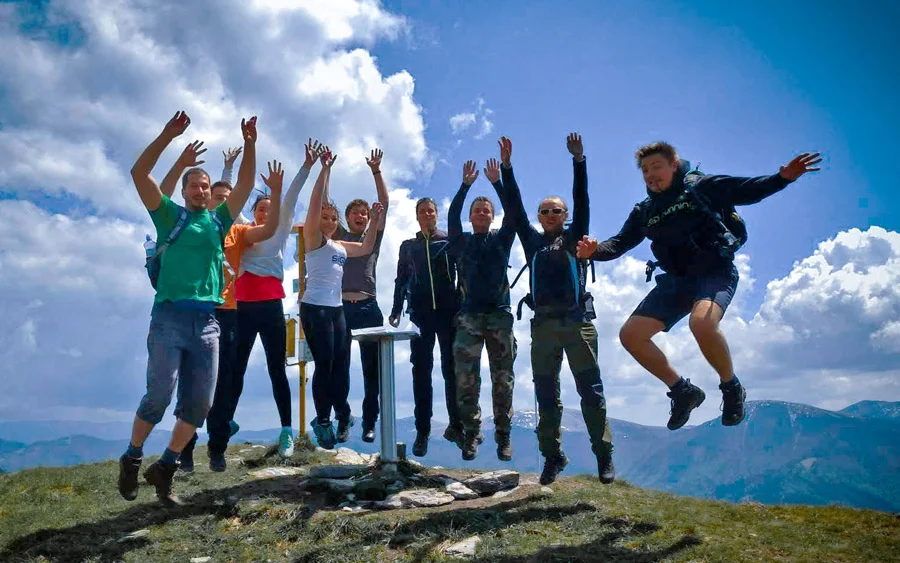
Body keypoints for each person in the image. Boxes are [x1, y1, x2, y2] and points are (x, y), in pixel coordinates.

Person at [576, 142, 822, 430]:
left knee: (702, 324)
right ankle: (683, 392)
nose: (650, 174)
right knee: (631, 335)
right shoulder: (645, 211)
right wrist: (593, 251)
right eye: (644, 171)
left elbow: (748, 190)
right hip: (677, 281)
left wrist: (783, 178)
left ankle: (731, 388)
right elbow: (618, 244)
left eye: (656, 167)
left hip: (714, 272)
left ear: (673, 164)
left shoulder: (701, 186)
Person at [118, 111, 257, 506]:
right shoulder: (169, 217)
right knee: (158, 397)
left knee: (199, 406)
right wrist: (167, 135)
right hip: (169, 318)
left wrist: (249, 145)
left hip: (208, 322)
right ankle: (132, 456)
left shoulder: (218, 222)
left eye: (205, 185)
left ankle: (167, 466)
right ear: (183, 192)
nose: (200, 191)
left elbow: (245, 184)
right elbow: (138, 172)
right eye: (194, 186)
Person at [501, 134, 615, 486]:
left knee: (590, 391)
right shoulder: (532, 240)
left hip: (578, 323)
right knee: (546, 393)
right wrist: (507, 168)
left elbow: (583, 200)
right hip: (544, 327)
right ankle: (552, 456)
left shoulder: (575, 235)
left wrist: (579, 161)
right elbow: (515, 208)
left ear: (565, 216)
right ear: (540, 217)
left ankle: (604, 456)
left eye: (557, 211)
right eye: (545, 211)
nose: (550, 215)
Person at [158, 143, 270, 473]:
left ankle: (217, 447)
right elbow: (166, 196)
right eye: (214, 196)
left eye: (225, 198)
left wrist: (250, 148)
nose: (220, 200)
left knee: (228, 383)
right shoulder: (190, 225)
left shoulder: (236, 229)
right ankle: (186, 449)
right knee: (192, 383)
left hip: (232, 312)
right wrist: (194, 166)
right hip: (196, 311)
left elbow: (262, 217)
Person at [230, 139, 322, 459]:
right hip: (242, 306)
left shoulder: (280, 230)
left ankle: (286, 432)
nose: (265, 212)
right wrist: (229, 167)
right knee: (235, 367)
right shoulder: (242, 229)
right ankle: (226, 420)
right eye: (260, 209)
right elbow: (229, 199)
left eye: (269, 209)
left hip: (270, 306)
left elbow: (293, 196)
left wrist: (307, 166)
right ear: (252, 213)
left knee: (275, 369)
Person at [301, 148, 384, 449]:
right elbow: (314, 204)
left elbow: (366, 248)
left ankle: (342, 415)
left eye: (333, 217)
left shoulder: (338, 244)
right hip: (315, 309)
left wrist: (374, 219)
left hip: (336, 311)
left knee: (339, 367)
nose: (329, 221)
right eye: (325, 216)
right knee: (325, 366)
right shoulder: (313, 238)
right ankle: (322, 420)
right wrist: (325, 170)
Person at [447, 159, 517, 461]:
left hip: (500, 316)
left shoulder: (502, 240)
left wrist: (497, 183)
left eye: (486, 210)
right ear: (471, 216)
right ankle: (472, 434)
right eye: (477, 210)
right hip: (469, 319)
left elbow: (513, 213)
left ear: (492, 216)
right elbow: (452, 215)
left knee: (503, 381)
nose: (482, 213)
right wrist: (465, 187)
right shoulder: (460, 242)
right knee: (466, 381)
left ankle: (504, 437)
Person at [389, 198, 462, 457]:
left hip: (448, 313)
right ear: (417, 216)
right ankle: (423, 431)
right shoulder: (409, 246)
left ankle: (457, 425)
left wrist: (461, 307)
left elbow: (461, 275)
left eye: (431, 210)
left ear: (436, 214)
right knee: (421, 372)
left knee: (451, 369)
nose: (427, 214)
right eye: (422, 211)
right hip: (419, 315)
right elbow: (401, 279)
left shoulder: (449, 241)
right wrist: (396, 309)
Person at [333, 148, 390, 443]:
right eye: (355, 213)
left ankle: (370, 423)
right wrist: (325, 170)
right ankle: (343, 419)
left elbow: (386, 204)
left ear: (369, 219)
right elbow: (321, 211)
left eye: (365, 213)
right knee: (338, 368)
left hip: (368, 307)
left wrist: (376, 171)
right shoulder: (337, 237)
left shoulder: (373, 237)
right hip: (340, 308)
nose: (360, 216)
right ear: (347, 218)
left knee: (372, 372)